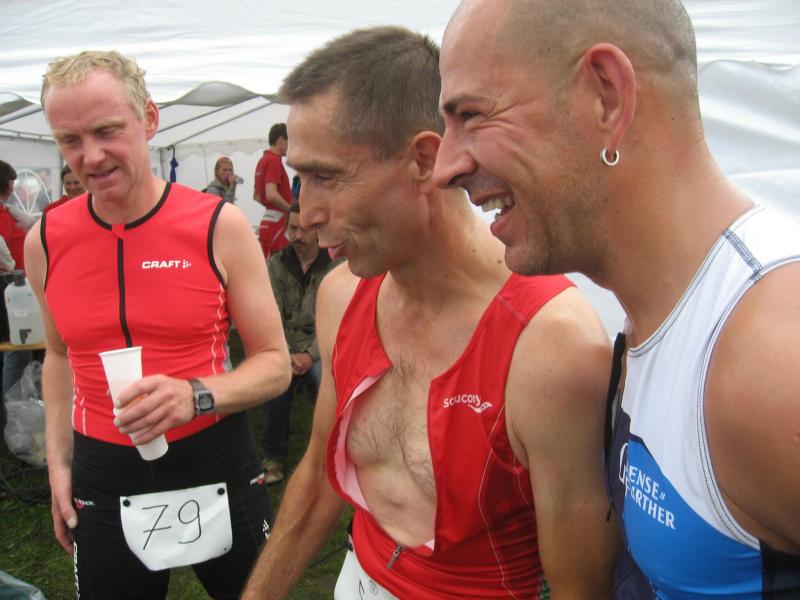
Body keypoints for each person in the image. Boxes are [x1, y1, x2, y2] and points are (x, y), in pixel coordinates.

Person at [434, 1, 800, 597]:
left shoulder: (772, 361)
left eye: (471, 115)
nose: (445, 167)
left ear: (605, 96)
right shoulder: (662, 311)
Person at [242, 26, 617, 599]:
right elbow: (319, 476)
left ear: (423, 160)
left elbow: (580, 585)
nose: (307, 212)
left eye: (325, 177)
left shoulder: (552, 345)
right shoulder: (342, 294)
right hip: (359, 575)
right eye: (299, 177)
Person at [28, 50, 292, 599]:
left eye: (107, 130)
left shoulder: (218, 225)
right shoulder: (45, 241)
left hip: (214, 455)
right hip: (104, 469)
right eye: (70, 140)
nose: (91, 156)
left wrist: (195, 395)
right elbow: (58, 355)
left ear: (148, 119)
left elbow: (274, 365)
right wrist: (58, 464)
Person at [262, 202, 343, 484]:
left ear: (318, 230)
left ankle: (331, 455)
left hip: (322, 346)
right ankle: (273, 457)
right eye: (291, 228)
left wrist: (310, 355)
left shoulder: (337, 266)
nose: (296, 236)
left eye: (303, 229)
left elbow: (340, 321)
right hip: (284, 345)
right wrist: (285, 354)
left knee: (327, 382)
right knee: (274, 382)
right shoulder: (275, 264)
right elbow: (269, 316)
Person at [253, 123, 293, 257]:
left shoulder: (262, 160)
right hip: (278, 223)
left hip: (266, 222)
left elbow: (257, 196)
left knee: (269, 261)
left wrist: (271, 207)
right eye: (289, 141)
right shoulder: (274, 161)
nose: (291, 147)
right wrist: (291, 211)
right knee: (282, 263)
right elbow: (271, 194)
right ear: (281, 140)